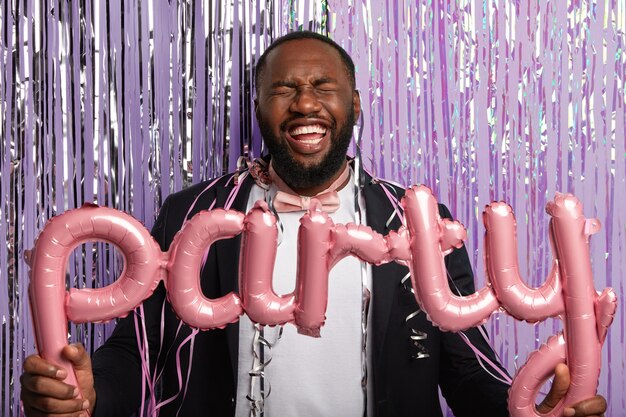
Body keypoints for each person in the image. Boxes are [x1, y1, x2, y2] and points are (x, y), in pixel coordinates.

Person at [21, 31, 607, 417]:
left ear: (354, 105)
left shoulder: (421, 221)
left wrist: (528, 408)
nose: (305, 104)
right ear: (259, 109)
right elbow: (139, 351)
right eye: (285, 89)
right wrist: (86, 394)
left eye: (324, 88)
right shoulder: (192, 214)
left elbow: (467, 369)